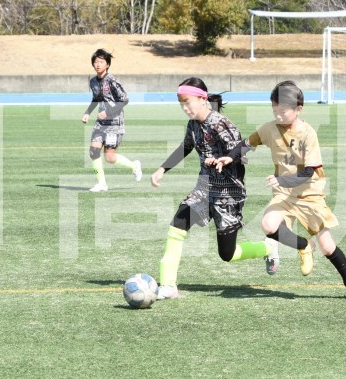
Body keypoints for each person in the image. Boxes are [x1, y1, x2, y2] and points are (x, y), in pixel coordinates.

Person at [217, 80, 346, 302]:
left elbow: (308, 173)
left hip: (309, 195)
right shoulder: (269, 129)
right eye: (274, 110)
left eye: (283, 111)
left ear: (298, 109)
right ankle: (304, 246)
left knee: (327, 247)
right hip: (285, 195)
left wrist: (282, 180)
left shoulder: (308, 134)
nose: (278, 115)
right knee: (268, 225)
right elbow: (248, 143)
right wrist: (230, 157)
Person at [150, 77, 276, 299]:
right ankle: (168, 285)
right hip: (203, 188)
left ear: (202, 99)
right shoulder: (193, 124)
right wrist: (162, 169)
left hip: (228, 193)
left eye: (187, 101)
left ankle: (269, 248)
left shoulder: (221, 123)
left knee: (227, 254)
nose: (184, 107)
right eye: (181, 103)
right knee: (177, 226)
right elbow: (185, 147)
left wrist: (222, 161)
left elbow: (239, 153)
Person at [81, 48, 141, 192]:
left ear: (107, 64)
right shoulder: (93, 81)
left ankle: (134, 166)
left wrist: (107, 112)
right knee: (93, 152)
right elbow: (96, 98)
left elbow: (124, 100)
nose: (98, 65)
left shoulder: (112, 81)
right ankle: (101, 183)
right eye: (96, 62)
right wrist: (87, 113)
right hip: (100, 123)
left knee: (109, 157)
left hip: (114, 124)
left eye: (101, 62)